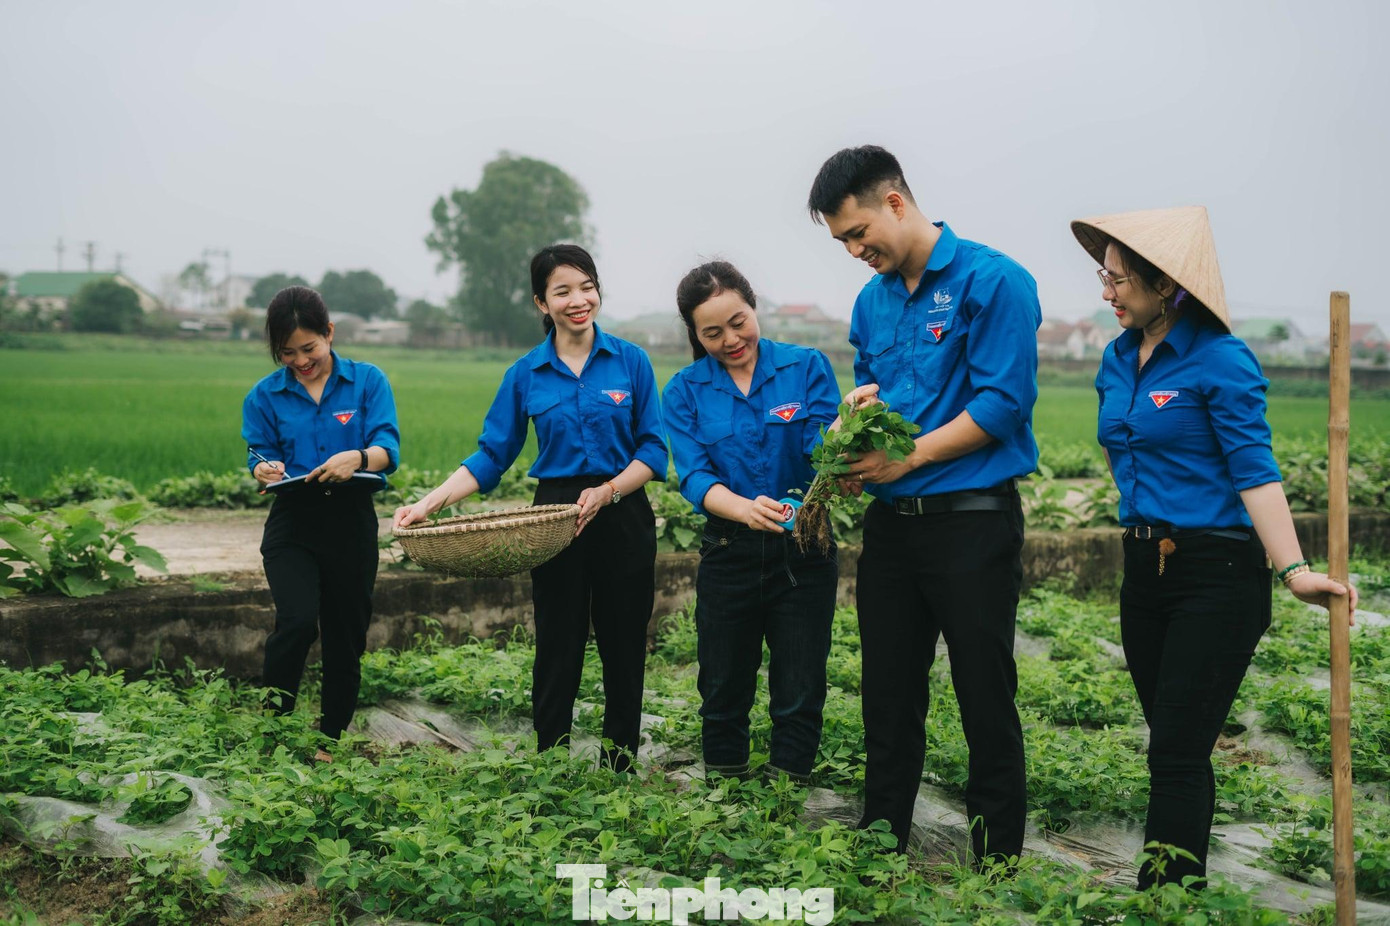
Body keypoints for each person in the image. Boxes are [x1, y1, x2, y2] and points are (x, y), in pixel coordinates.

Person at [1072, 206, 1358, 888]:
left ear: (1163, 283)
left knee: (1174, 749)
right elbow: (1129, 455)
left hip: (1217, 573)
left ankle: (1163, 899)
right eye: (1102, 276)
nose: (1105, 292)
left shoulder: (1221, 358)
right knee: (1176, 747)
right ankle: (1180, 891)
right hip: (1143, 570)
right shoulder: (1116, 361)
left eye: (1117, 280)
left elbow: (1253, 470)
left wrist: (1293, 569)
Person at [806, 145, 1040, 863]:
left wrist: (905, 457)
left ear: (896, 204)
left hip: (971, 522)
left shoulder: (992, 281)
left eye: (856, 233)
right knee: (888, 691)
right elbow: (875, 394)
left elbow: (1002, 403)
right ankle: (881, 842)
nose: (853, 251)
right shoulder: (871, 302)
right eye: (842, 240)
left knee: (982, 689)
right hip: (892, 532)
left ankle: (997, 861)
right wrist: (852, 430)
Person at [392, 244, 667, 772]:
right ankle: (551, 763)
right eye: (562, 291)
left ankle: (619, 766)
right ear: (542, 302)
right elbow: (493, 454)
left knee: (623, 644)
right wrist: (428, 503)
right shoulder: (526, 373)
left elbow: (652, 451)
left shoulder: (630, 361)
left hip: (623, 509)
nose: (578, 299)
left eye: (587, 286)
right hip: (554, 519)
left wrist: (609, 491)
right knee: (558, 642)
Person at [661, 260, 841, 783]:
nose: (730, 339)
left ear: (753, 306)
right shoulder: (685, 391)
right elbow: (693, 475)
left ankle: (789, 793)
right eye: (712, 332)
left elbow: (820, 447)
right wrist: (744, 509)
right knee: (721, 683)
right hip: (728, 550)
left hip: (804, 550)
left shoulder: (805, 367)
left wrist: (846, 428)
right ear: (695, 335)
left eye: (738, 322)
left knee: (801, 683)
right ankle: (724, 786)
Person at [241, 286, 400, 762]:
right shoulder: (265, 395)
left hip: (351, 520)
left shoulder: (367, 381)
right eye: (287, 353)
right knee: (294, 622)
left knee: (345, 632)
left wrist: (357, 456)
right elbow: (259, 453)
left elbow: (387, 449)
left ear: (329, 334)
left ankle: (329, 738)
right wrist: (262, 469)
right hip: (293, 519)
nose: (300, 361)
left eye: (309, 348)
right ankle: (274, 730)